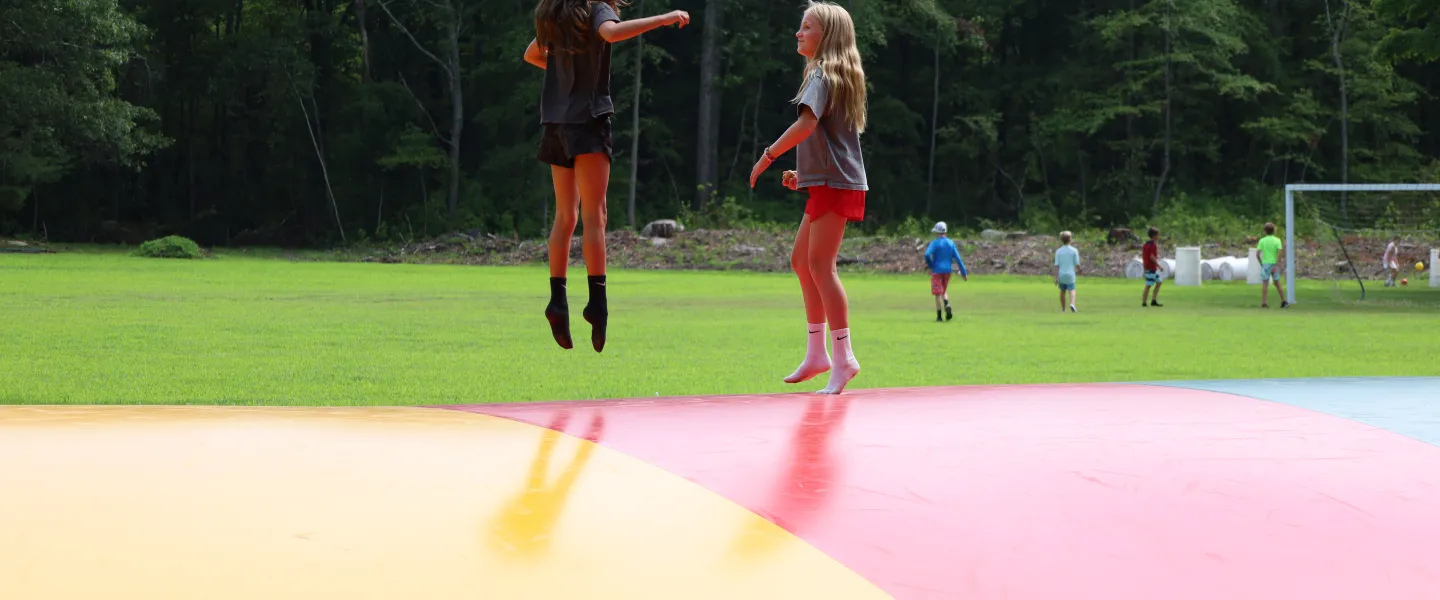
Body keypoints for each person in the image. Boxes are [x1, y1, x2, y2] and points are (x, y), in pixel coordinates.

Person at [525, 1, 690, 352]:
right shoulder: (595, 8)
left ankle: (557, 300)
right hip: (588, 120)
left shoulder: (555, 13)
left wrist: (563, 73)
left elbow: (532, 54)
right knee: (595, 216)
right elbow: (611, 33)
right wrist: (664, 19)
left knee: (565, 216)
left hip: (555, 122)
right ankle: (597, 305)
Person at [748, 1, 868, 395]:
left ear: (826, 35)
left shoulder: (822, 74)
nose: (798, 33)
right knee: (802, 261)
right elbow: (832, 140)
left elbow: (807, 123)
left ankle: (844, 356)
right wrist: (806, 176)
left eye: (806, 27)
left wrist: (768, 155)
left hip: (836, 183)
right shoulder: (834, 74)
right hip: (829, 180)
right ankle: (817, 352)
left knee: (821, 266)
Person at [923, 221, 968, 322]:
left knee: (938, 294)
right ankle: (947, 303)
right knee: (944, 290)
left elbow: (926, 255)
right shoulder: (951, 243)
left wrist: (930, 265)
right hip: (948, 270)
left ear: (937, 232)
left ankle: (939, 317)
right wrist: (964, 273)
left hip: (937, 270)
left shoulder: (935, 243)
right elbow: (958, 259)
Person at [1256, 222, 1288, 308]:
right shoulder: (1277, 240)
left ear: (1265, 231)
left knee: (1265, 283)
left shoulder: (1262, 241)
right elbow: (1279, 253)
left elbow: (1258, 254)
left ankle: (1264, 302)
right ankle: (1284, 301)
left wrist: (1261, 263)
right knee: (1277, 283)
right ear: (1274, 230)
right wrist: (1277, 263)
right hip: (1274, 264)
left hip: (1265, 264)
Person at [1054, 230, 1080, 312]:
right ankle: (1072, 303)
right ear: (1070, 239)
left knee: (1062, 291)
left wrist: (1056, 277)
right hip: (1070, 274)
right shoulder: (1074, 250)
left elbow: (1056, 265)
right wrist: (1079, 270)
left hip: (1061, 275)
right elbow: (1077, 263)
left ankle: (1063, 309)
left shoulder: (1058, 251)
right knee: (1071, 290)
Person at [1141, 226, 1163, 307]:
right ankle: (1144, 302)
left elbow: (1144, 255)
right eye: (1158, 235)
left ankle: (1153, 300)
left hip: (1147, 266)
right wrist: (1159, 266)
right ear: (1154, 235)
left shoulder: (1146, 244)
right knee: (1148, 284)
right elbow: (1151, 256)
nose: (1158, 236)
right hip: (1150, 267)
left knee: (1159, 282)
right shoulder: (1153, 245)